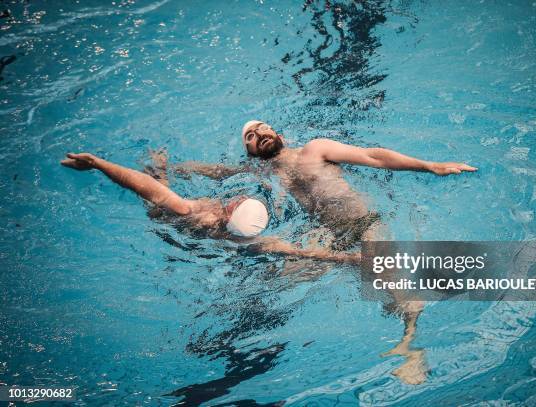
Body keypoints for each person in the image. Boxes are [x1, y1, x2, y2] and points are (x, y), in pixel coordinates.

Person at [172, 120, 478, 384]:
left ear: (281, 136)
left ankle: (410, 346)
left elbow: (372, 156)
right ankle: (231, 336)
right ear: (250, 153)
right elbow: (217, 172)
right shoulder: (264, 176)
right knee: (276, 279)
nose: (259, 133)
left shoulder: (314, 150)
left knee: (387, 277)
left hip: (362, 223)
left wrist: (428, 166)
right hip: (329, 236)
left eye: (263, 128)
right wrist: (167, 171)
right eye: (250, 136)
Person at [60, 151, 358, 264]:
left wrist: (98, 163)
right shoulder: (257, 241)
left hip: (168, 222)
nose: (238, 197)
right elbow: (306, 253)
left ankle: (160, 167)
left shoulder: (195, 212)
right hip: (200, 242)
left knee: (158, 198)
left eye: (238, 201)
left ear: (228, 211)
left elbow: (143, 186)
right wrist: (354, 260)